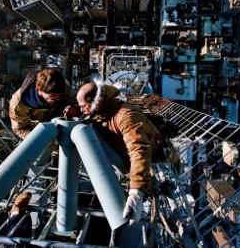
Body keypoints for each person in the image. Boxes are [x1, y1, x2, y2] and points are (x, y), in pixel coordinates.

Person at [76, 81, 179, 223]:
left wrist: (136, 192)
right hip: (143, 164)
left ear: (95, 102)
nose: (81, 110)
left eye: (83, 107)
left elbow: (139, 150)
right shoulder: (103, 110)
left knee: (169, 196)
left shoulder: (126, 116)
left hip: (161, 163)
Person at [9, 68, 79, 140]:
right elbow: (20, 129)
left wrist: (75, 109)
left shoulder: (64, 86)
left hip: (64, 132)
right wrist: (42, 140)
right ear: (39, 89)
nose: (58, 98)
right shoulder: (18, 104)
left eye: (60, 95)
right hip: (38, 136)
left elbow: (78, 103)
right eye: (53, 97)